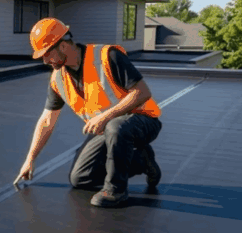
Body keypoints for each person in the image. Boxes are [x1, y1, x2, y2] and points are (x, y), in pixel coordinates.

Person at [13, 18, 163, 207]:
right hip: (106, 130)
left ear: (64, 46)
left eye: (47, 54)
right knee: (80, 178)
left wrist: (106, 116)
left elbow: (142, 92)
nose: (45, 60)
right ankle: (142, 160)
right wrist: (30, 159)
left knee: (116, 127)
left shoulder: (107, 56)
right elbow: (46, 120)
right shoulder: (58, 79)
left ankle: (115, 191)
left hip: (143, 120)